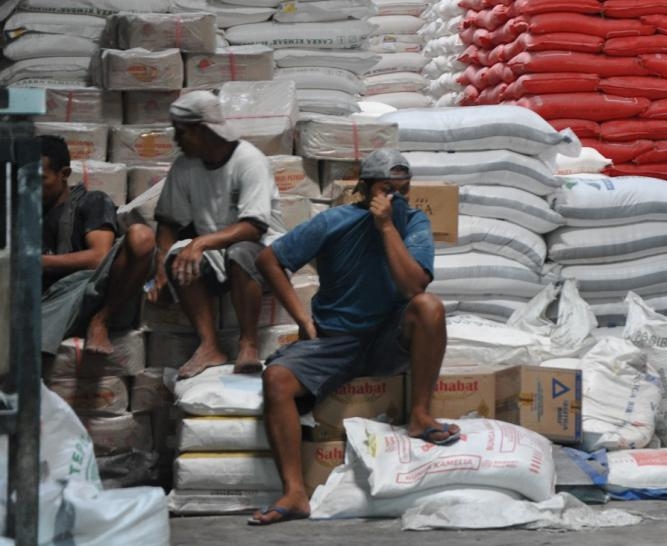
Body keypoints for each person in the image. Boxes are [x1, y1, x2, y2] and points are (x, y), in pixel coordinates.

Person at [249, 147, 456, 527]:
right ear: (366, 188)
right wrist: (301, 317)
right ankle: (295, 492)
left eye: (402, 189)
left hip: (388, 338)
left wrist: (388, 228)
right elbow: (269, 260)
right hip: (335, 341)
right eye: (386, 189)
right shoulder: (335, 221)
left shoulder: (412, 223)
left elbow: (414, 287)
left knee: (430, 307)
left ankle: (421, 414)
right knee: (276, 379)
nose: (395, 196)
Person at [151, 90, 284, 379]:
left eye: (181, 132)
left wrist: (200, 242)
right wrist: (161, 267)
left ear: (201, 130)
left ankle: (247, 343)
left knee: (239, 252)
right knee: (179, 257)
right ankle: (209, 345)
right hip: (215, 251)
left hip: (262, 250)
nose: (176, 140)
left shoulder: (249, 160)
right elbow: (168, 223)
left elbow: (254, 227)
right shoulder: (185, 166)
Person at [39, 136, 156, 357]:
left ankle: (101, 321)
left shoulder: (91, 201)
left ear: (64, 174)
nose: (33, 188)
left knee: (141, 237)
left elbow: (99, 257)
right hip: (49, 297)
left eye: (41, 179)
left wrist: (38, 261)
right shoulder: (25, 209)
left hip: (91, 292)